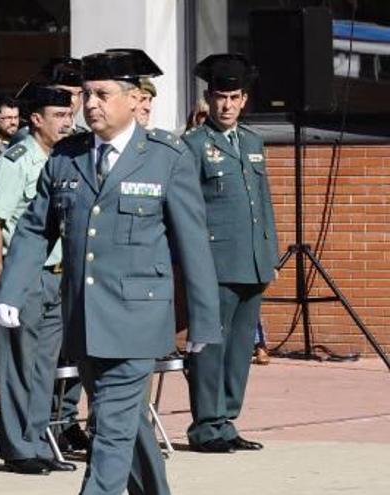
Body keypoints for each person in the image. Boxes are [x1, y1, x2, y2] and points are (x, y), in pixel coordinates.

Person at [0, 49, 222, 495]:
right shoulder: (67, 157)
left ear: (133, 98)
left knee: (110, 427)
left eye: (102, 94)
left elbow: (193, 244)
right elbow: (36, 229)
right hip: (84, 317)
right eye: (87, 94)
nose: (91, 104)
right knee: (125, 421)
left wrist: (203, 319)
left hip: (137, 319)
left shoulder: (165, 157)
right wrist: (11, 291)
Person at [183, 53, 279, 454]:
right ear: (209, 98)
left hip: (252, 261)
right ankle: (206, 426)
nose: (226, 105)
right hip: (215, 264)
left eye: (234, 97)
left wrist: (269, 253)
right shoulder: (194, 145)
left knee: (240, 348)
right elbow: (187, 209)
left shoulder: (253, 142)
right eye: (220, 97)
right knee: (211, 346)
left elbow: (263, 202)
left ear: (244, 100)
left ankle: (226, 420)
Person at [0, 83, 76, 475]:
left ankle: (37, 441)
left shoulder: (63, 160)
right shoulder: (16, 160)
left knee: (43, 367)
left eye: (69, 115)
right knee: (19, 365)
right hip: (26, 278)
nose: (67, 123)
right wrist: (5, 282)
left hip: (58, 276)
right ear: (36, 119)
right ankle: (18, 447)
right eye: (59, 116)